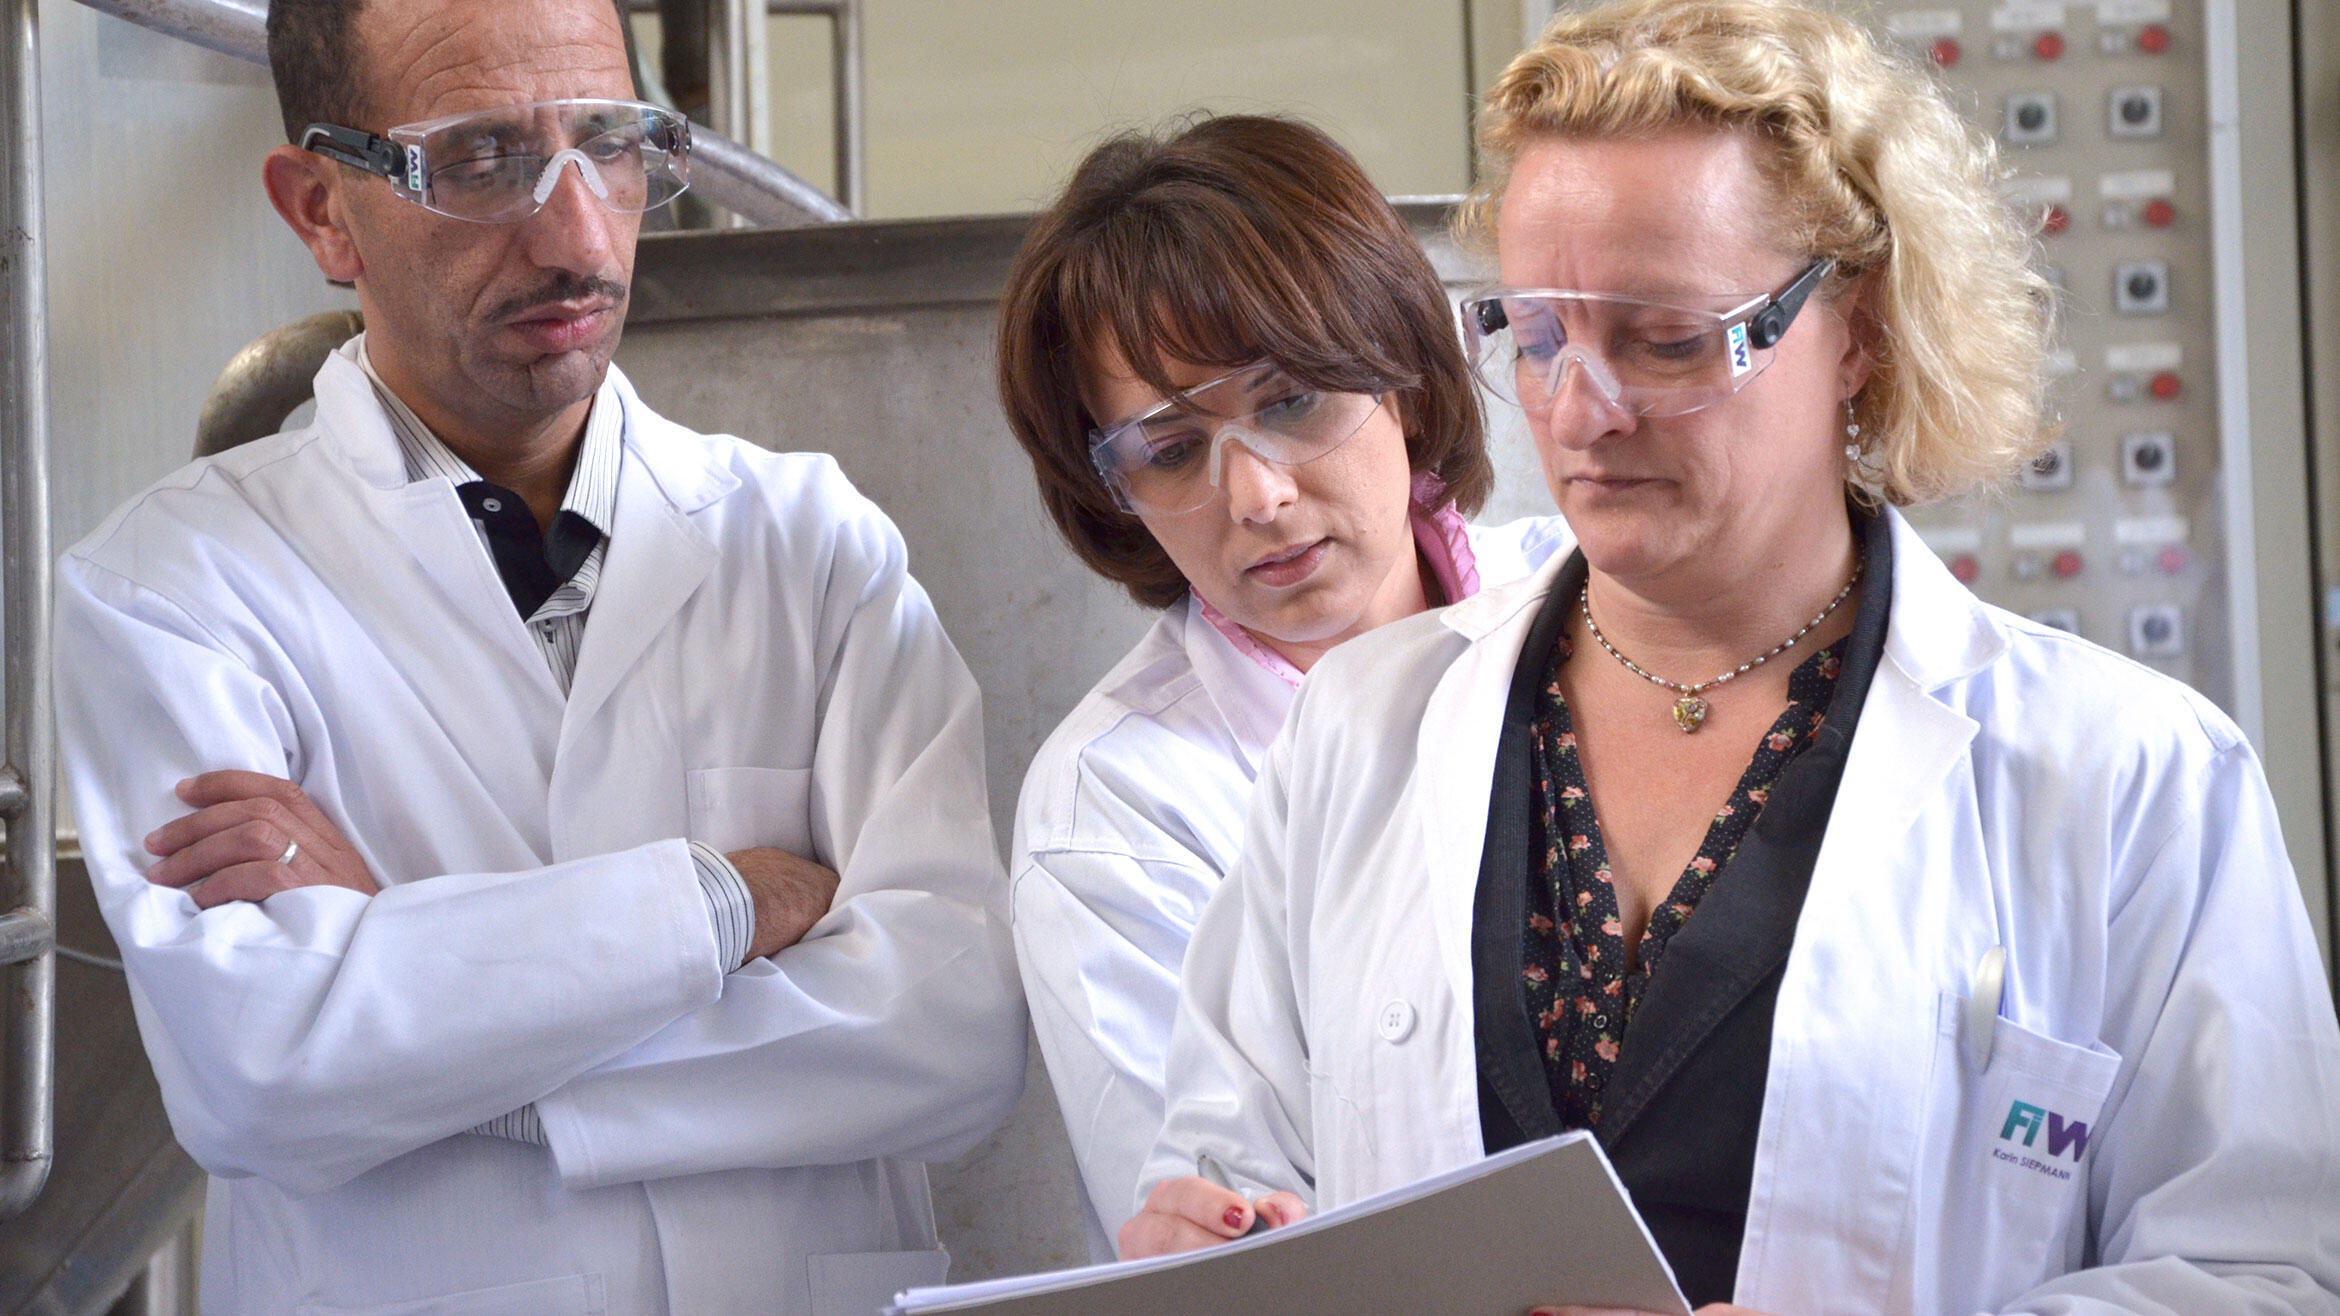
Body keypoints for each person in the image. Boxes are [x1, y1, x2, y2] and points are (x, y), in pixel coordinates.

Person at [1122, 2, 2340, 1312]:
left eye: (1668, 338)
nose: (1580, 411)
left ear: (1857, 327)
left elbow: (2270, 1270)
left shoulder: (2127, 776)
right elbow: (1234, 1159)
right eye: (1539, 336)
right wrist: (1215, 1238)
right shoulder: (1365, 726)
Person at [51, 0, 1023, 1309]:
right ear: (320, 209)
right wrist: (728, 904)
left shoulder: (807, 541)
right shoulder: (173, 588)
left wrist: (410, 980)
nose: (576, 234)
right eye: (480, 161)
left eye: (610, 143)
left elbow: (951, 1031)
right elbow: (266, 1074)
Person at [994, 114, 1573, 1257]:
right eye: (1170, 448)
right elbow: (1234, 1250)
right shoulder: (1114, 809)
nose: (1254, 493)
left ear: (1403, 370)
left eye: (1292, 397)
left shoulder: (1595, 603)